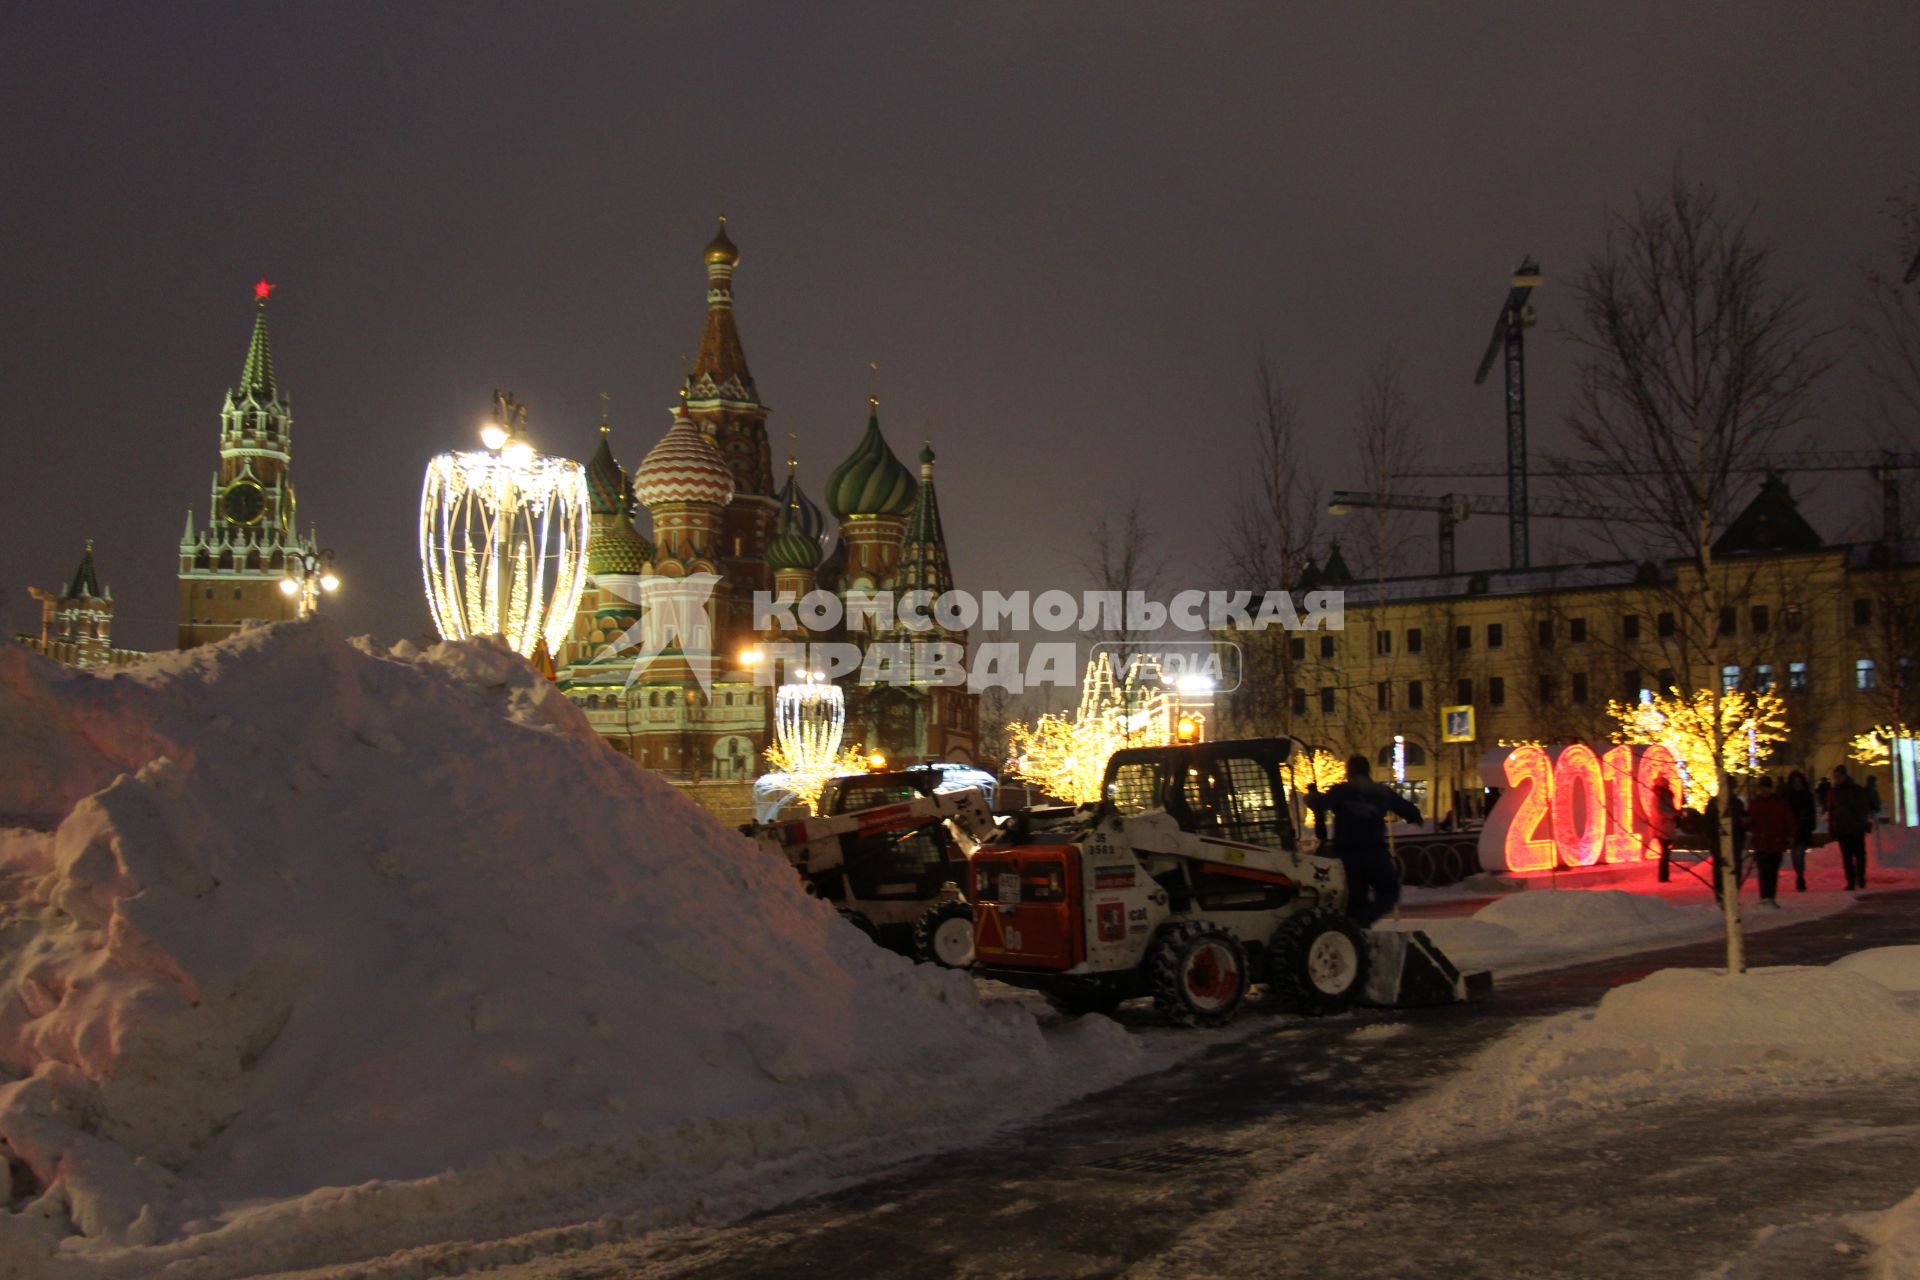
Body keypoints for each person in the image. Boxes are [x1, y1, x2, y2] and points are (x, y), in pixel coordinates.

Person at [1305, 755, 1422, 929]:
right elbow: (1409, 811)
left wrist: (1312, 795)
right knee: (1389, 892)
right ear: (1368, 770)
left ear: (1348, 772)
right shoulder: (1381, 792)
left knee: (1355, 900)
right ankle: (1364, 919)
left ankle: (1356, 931)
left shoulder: (1341, 791)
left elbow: (1318, 805)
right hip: (1375, 853)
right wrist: (1416, 817)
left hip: (1347, 857)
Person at [1744, 776, 1795, 907]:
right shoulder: (1755, 803)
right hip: (1761, 842)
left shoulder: (1779, 803)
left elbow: (1789, 821)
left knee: (1771, 871)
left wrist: (1790, 836)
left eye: (1765, 788)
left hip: (1776, 842)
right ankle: (1764, 897)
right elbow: (1750, 820)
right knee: (1763, 871)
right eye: (1761, 788)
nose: (1763, 791)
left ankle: (1770, 897)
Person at [1829, 764, 1874, 891]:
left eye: (1838, 776)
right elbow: (1832, 810)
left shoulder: (1855, 790)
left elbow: (1862, 808)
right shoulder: (1834, 792)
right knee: (1847, 856)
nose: (1836, 779)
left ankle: (1860, 876)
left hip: (1855, 827)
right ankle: (1851, 880)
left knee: (1859, 854)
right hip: (1843, 828)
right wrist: (1833, 826)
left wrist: (1861, 822)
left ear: (1844, 776)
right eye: (1835, 777)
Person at [1785, 770, 1816, 892]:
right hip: (1793, 828)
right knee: (1795, 855)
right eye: (1795, 782)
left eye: (1799, 782)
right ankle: (1799, 875)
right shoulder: (1789, 796)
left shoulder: (1807, 795)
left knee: (1799, 854)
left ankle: (1800, 877)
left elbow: (1811, 812)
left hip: (1803, 828)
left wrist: (1809, 824)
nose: (1797, 784)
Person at [1653, 779, 1681, 883]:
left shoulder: (1666, 797)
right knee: (1665, 853)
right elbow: (1660, 812)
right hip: (1663, 828)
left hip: (1667, 828)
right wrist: (1672, 816)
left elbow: (1668, 810)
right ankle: (1663, 876)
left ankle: (1665, 876)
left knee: (1666, 853)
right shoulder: (1659, 797)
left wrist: (1676, 814)